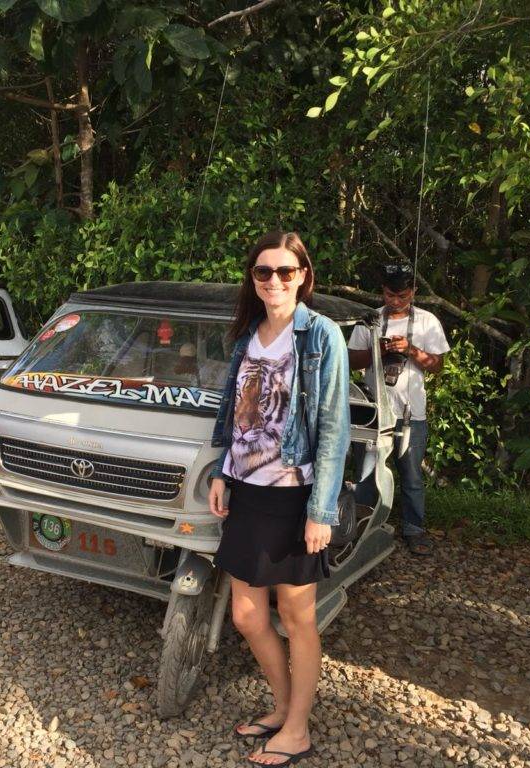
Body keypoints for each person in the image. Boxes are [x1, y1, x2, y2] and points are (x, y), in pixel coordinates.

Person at [208, 231, 349, 766]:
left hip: (294, 495)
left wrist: (321, 511)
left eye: (285, 272)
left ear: (303, 277)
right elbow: (235, 414)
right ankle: (286, 707)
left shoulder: (320, 336)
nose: (274, 281)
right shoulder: (248, 335)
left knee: (297, 618)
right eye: (263, 272)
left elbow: (334, 428)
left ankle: (297, 729)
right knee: (246, 614)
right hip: (246, 490)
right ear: (253, 279)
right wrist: (223, 470)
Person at [347, 261, 449, 556]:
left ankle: (413, 530)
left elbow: (438, 366)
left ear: (413, 292)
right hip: (373, 412)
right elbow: (352, 361)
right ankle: (361, 529)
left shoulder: (427, 321)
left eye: (402, 296)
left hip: (410, 413)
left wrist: (411, 350)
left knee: (412, 476)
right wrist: (379, 349)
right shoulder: (370, 320)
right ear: (383, 292)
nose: (395, 301)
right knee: (366, 474)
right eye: (390, 295)